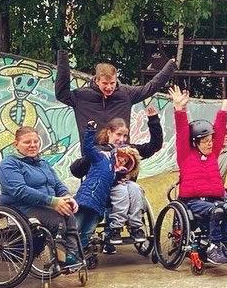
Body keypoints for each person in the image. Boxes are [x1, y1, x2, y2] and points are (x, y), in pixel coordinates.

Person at [70, 106, 164, 253]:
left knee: (134, 188)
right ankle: (112, 230)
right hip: (104, 192)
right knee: (120, 191)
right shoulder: (100, 151)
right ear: (109, 133)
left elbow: (155, 146)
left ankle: (135, 226)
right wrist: (90, 159)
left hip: (127, 190)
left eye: (125, 136)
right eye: (118, 135)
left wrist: (153, 121)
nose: (121, 139)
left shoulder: (129, 150)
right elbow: (75, 170)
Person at [55, 49, 176, 151]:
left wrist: (170, 67)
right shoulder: (82, 96)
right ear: (97, 80)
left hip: (121, 153)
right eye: (105, 83)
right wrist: (63, 59)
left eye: (112, 83)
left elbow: (149, 88)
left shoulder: (125, 93)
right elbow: (62, 93)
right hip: (94, 155)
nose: (109, 87)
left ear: (116, 79)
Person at [170, 85, 227, 266]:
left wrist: (224, 108)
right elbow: (182, 132)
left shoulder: (213, 153)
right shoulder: (185, 155)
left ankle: (226, 243)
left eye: (211, 141)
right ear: (195, 142)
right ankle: (213, 247)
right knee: (216, 210)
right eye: (205, 141)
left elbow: (220, 129)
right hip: (193, 201)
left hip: (214, 197)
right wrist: (179, 108)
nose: (210, 144)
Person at [0, 126, 81, 267]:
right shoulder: (8, 165)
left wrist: (67, 197)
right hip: (22, 207)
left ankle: (72, 255)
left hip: (44, 205)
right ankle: (59, 258)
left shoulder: (43, 163)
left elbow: (57, 184)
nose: (33, 145)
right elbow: (20, 190)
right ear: (16, 145)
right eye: (27, 142)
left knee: (70, 215)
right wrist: (52, 201)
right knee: (57, 220)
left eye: (36, 141)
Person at [72, 120, 123, 248]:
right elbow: (88, 149)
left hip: (98, 206)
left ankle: (80, 255)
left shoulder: (116, 169)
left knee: (87, 232)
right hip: (86, 200)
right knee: (74, 228)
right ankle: (67, 255)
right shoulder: (100, 156)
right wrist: (90, 131)